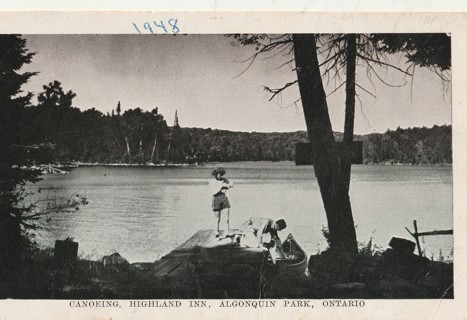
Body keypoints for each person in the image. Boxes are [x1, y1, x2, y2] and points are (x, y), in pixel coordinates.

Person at [209, 167, 233, 237]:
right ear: (215, 174)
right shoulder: (211, 181)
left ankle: (227, 233)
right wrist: (221, 187)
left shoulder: (224, 179)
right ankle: (216, 232)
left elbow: (231, 183)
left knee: (226, 218)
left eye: (221, 174)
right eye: (218, 174)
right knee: (217, 218)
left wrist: (229, 185)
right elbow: (213, 192)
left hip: (224, 199)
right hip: (216, 199)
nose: (220, 175)